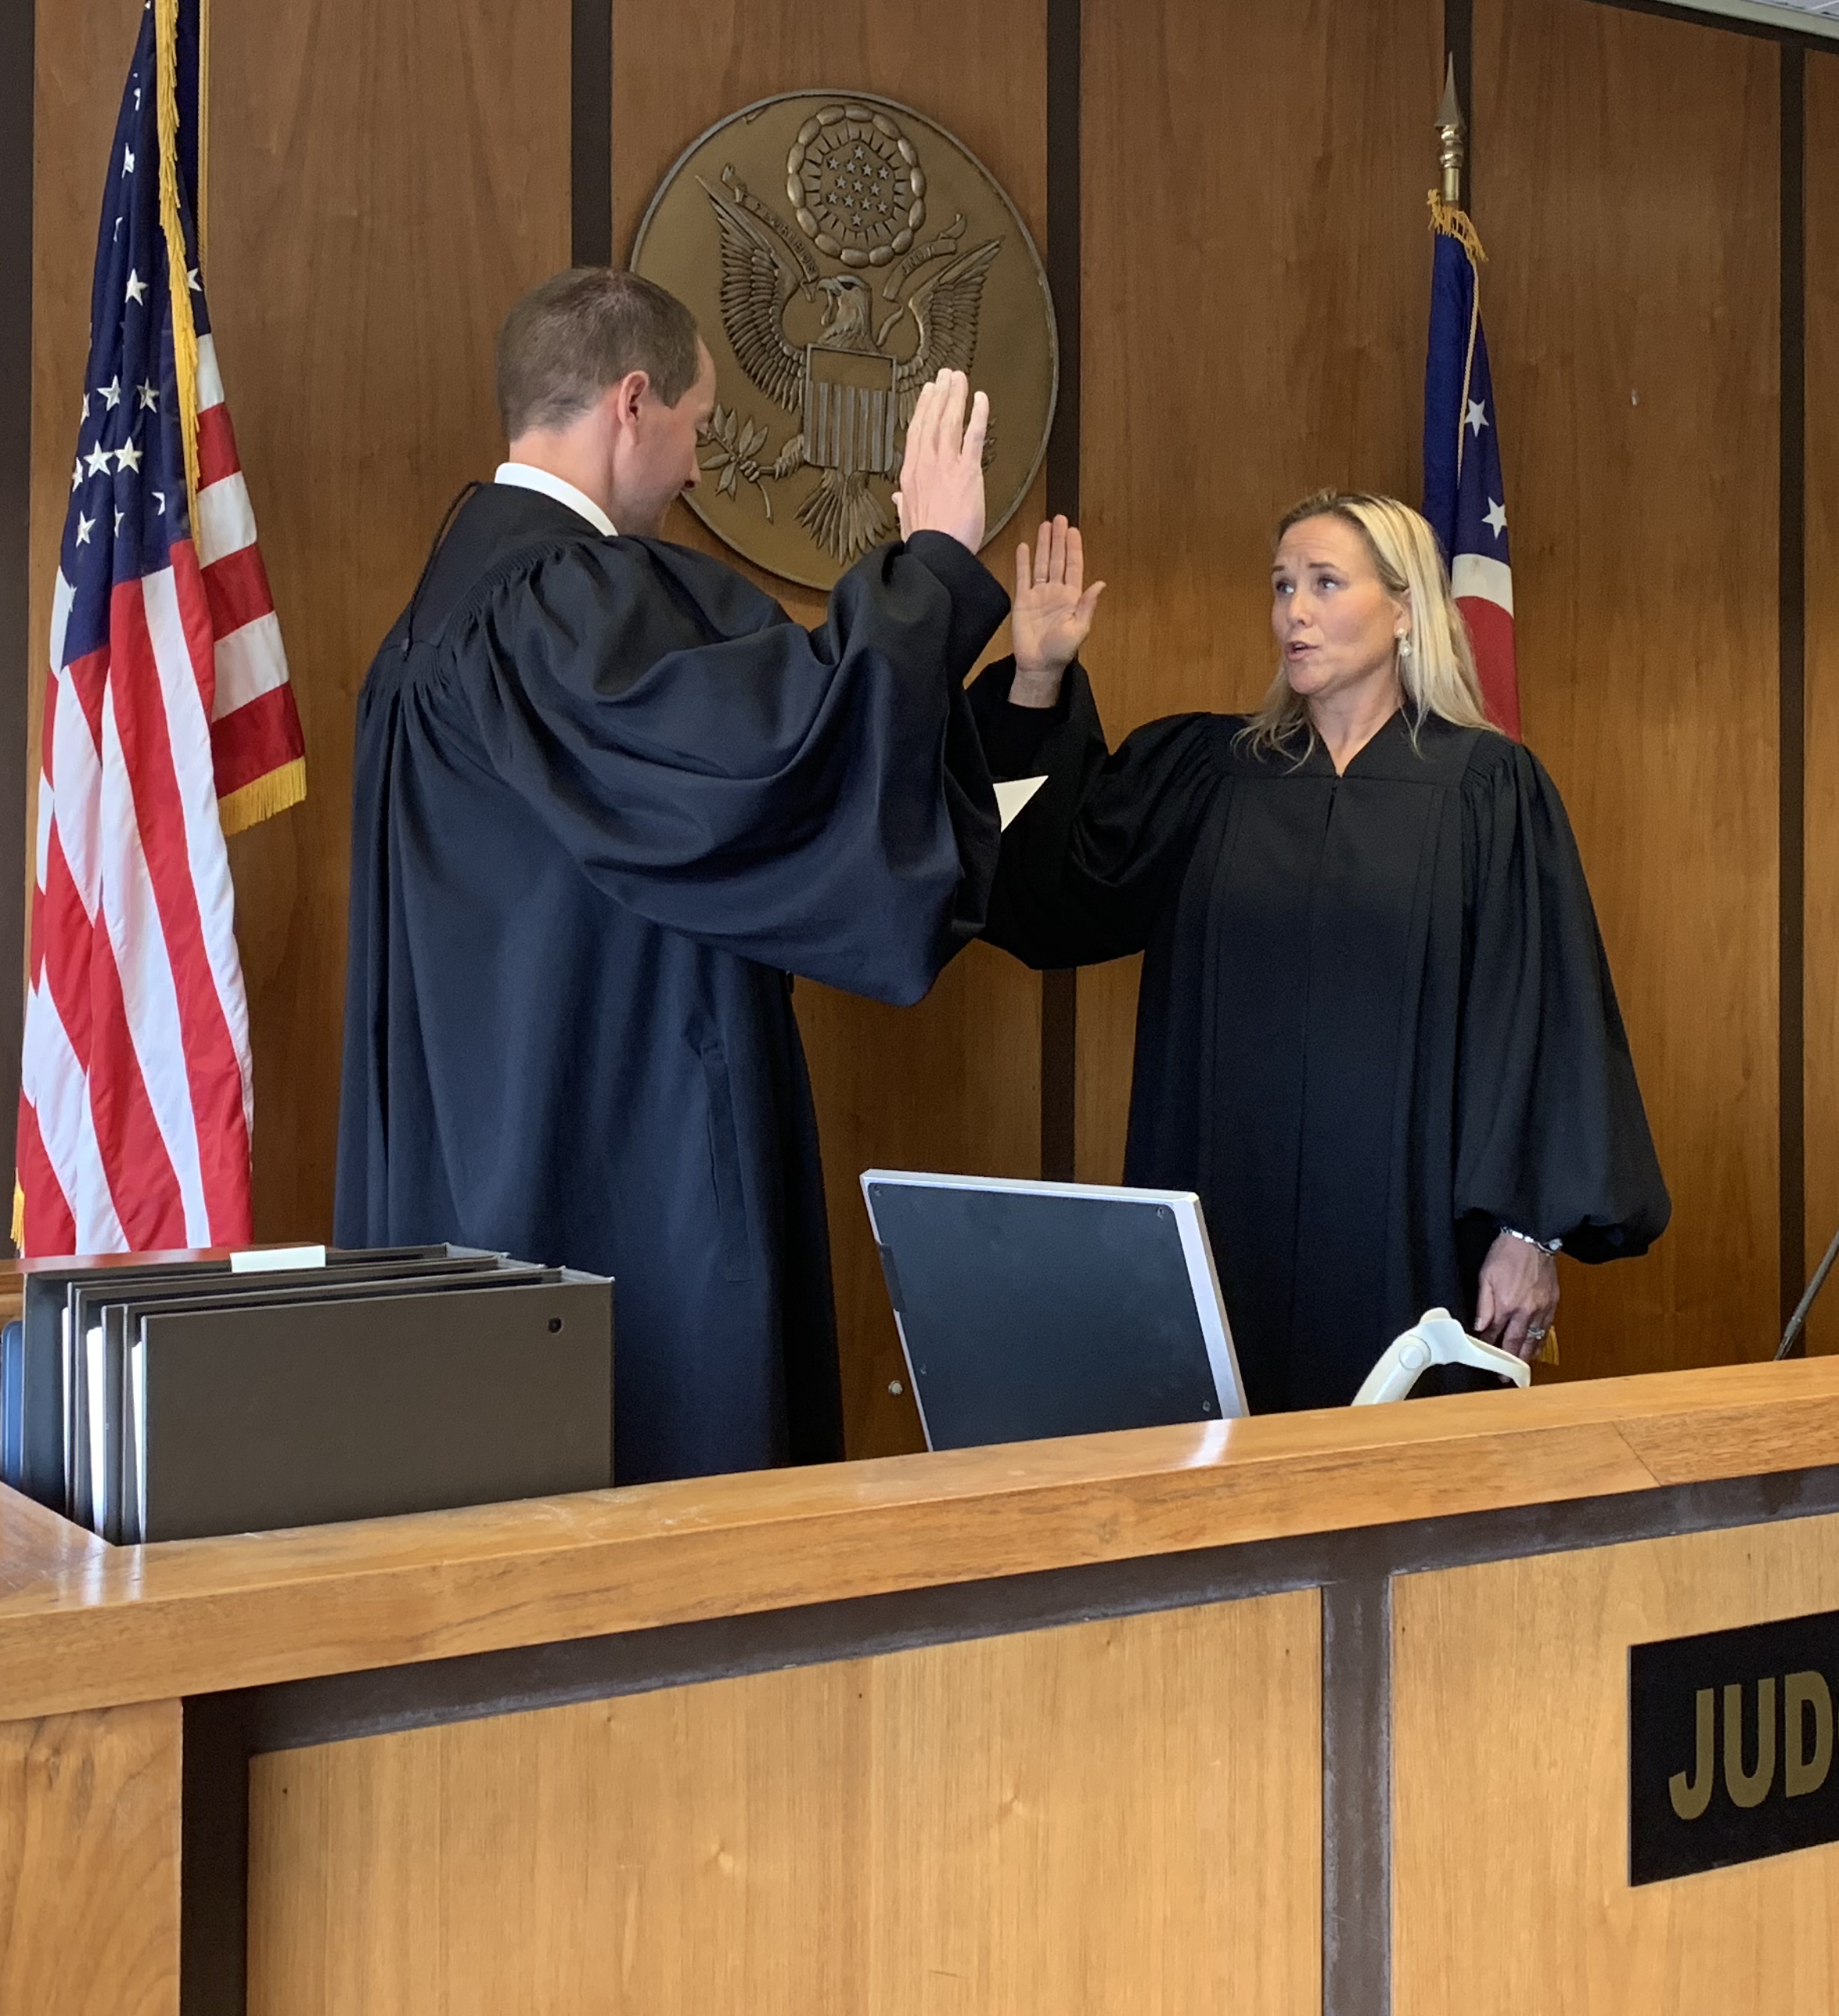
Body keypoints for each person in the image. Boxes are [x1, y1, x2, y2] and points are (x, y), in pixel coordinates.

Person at [334, 268, 1008, 1484]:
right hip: (607, 1153)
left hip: (473, 1151)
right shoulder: (563, 600)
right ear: (631, 404)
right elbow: (777, 758)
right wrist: (936, 567)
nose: (700, 467)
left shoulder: (436, 612)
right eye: (697, 424)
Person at [970, 491, 1668, 1409]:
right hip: (1228, 1216)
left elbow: (1541, 1014)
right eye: (1282, 585)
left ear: (1406, 607)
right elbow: (1047, 892)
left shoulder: (1486, 791)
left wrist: (1528, 1234)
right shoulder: (1212, 777)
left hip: (1407, 1237)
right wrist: (1035, 682)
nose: (1293, 611)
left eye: (1325, 583)